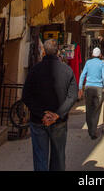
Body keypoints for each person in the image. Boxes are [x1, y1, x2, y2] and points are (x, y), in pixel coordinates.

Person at [22, 39, 78, 171]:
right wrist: (57, 114)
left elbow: (26, 96)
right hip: (59, 122)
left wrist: (42, 114)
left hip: (38, 120)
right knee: (58, 157)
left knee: (40, 157)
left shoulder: (34, 71)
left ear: (43, 51)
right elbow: (72, 96)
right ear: (58, 51)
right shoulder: (67, 71)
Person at [78, 47, 104, 140]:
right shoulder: (102, 63)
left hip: (88, 88)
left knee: (89, 108)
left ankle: (90, 129)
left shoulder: (88, 63)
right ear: (100, 55)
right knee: (96, 110)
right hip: (98, 88)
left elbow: (82, 75)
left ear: (92, 54)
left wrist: (80, 88)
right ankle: (93, 130)